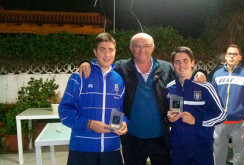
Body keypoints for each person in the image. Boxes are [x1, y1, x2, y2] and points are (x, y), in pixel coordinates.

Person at [78, 32, 206, 165]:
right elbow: (103, 63)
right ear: (131, 48)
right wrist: (86, 63)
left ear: (153, 48)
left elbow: (183, 75)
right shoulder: (121, 68)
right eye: (137, 46)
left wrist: (199, 73)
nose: (141, 50)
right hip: (132, 138)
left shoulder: (166, 68)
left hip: (161, 138)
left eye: (146, 46)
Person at [59, 33, 128, 165]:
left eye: (110, 50)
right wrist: (89, 124)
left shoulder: (119, 80)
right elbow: (64, 112)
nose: (107, 55)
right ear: (95, 52)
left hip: (111, 148)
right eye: (102, 50)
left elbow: (119, 110)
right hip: (82, 148)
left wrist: (123, 122)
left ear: (115, 52)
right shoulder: (79, 76)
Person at [166, 47, 226, 165]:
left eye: (185, 60)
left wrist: (196, 120)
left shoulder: (206, 87)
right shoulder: (169, 87)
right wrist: (169, 118)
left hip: (202, 148)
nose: (181, 65)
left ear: (193, 63)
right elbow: (167, 113)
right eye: (177, 62)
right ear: (173, 65)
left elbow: (222, 115)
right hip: (178, 149)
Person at [212, 44, 244, 165]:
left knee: (239, 155)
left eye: (235, 54)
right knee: (218, 154)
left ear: (240, 57)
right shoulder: (217, 74)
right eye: (229, 54)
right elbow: (212, 98)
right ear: (225, 57)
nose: (232, 56)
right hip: (220, 123)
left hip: (239, 123)